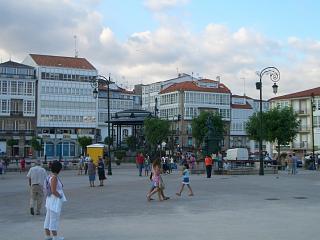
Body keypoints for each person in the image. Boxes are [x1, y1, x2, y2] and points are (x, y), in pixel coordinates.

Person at [44, 161, 66, 240]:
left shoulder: (50, 176)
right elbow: (53, 190)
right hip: (54, 200)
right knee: (54, 218)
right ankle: (55, 237)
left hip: (51, 200)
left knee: (49, 217)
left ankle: (47, 236)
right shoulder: (54, 178)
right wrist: (60, 196)